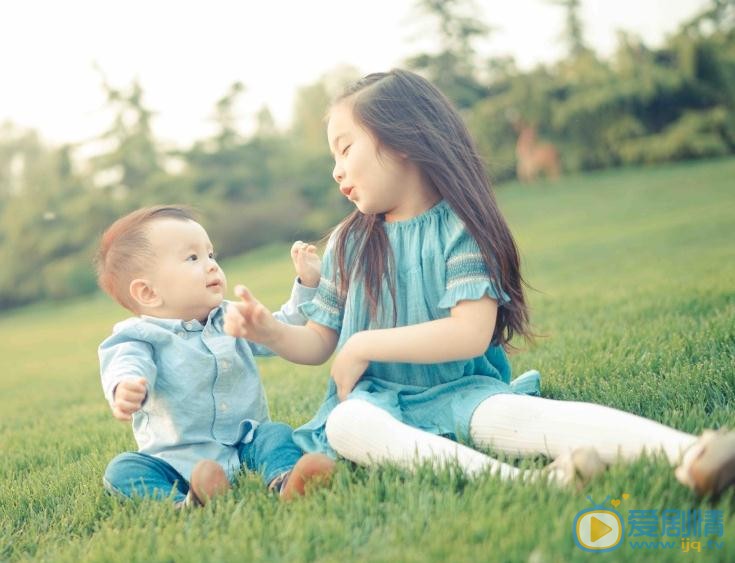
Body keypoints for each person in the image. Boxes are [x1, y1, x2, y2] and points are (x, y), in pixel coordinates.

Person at [224, 69, 735, 497]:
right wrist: (270, 332)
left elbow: (469, 334)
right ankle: (529, 486)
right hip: (371, 402)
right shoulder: (348, 243)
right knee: (346, 425)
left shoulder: (460, 230)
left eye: (345, 148)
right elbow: (318, 343)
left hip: (460, 388)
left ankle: (692, 452)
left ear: (402, 140)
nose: (336, 171)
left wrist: (364, 343)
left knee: (519, 415)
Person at [96, 205, 335, 507]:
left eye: (211, 255)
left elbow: (280, 328)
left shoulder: (230, 316)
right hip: (176, 461)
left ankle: (286, 480)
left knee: (275, 433)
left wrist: (308, 285)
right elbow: (126, 361)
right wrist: (125, 385)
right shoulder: (140, 335)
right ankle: (184, 503)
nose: (211, 265)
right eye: (193, 258)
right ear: (148, 293)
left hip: (244, 445)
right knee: (122, 469)